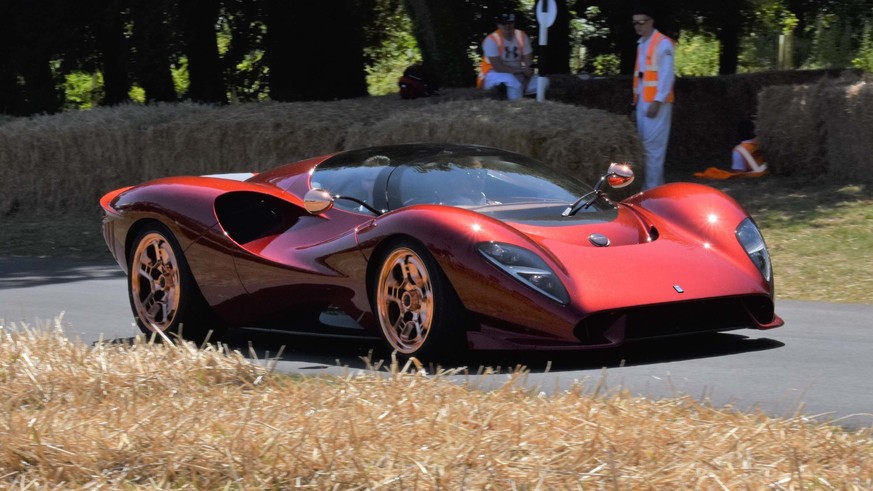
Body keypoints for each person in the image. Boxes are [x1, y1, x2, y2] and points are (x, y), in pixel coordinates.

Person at [631, 6, 675, 190]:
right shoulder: (642, 43)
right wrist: (636, 105)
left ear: (651, 21)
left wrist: (657, 101)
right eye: (635, 23)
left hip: (657, 103)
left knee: (653, 149)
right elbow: (641, 78)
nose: (638, 26)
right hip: (644, 102)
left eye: (642, 22)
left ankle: (652, 190)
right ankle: (651, 188)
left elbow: (667, 75)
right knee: (646, 147)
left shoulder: (662, 43)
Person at [478, 12, 547, 101]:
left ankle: (518, 95)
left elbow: (529, 65)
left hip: (517, 73)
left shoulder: (522, 36)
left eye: (510, 23)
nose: (507, 26)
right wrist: (521, 70)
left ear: (514, 23)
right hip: (494, 74)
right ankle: (516, 105)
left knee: (543, 82)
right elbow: (498, 67)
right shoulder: (491, 40)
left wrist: (527, 76)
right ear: (498, 25)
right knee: (512, 82)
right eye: (504, 24)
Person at [693, 118, 768, 180]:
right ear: (755, 130)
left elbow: (737, 175)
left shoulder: (738, 151)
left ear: (738, 133)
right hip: (766, 173)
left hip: (753, 180)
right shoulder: (764, 142)